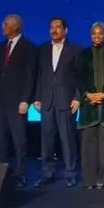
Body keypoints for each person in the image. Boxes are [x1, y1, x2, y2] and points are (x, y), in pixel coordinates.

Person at [0, 15, 36, 186]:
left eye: (5, 24)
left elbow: (30, 76)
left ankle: (21, 175)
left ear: (15, 27)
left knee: (19, 140)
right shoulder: (0, 47)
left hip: (17, 103)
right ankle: (0, 175)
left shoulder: (28, 47)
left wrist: (25, 100)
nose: (2, 26)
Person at [35, 17, 81, 186]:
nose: (54, 30)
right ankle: (47, 173)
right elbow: (38, 75)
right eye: (51, 27)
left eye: (58, 27)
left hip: (66, 101)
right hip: (46, 101)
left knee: (67, 139)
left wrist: (78, 98)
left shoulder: (75, 50)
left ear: (65, 30)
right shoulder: (42, 49)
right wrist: (37, 97)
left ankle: (70, 173)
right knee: (46, 140)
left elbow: (81, 76)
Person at [77, 22, 104, 188]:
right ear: (90, 35)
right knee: (88, 144)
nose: (97, 36)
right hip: (89, 105)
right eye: (94, 34)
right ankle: (89, 180)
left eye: (100, 33)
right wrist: (88, 94)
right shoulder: (84, 54)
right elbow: (79, 77)